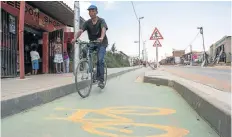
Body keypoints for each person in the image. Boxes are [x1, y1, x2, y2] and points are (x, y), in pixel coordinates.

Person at [72, 5, 108, 88]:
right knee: (85, 50)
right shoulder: (87, 23)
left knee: (100, 60)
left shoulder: (101, 21)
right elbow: (81, 31)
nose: (91, 12)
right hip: (92, 42)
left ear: (96, 12)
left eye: (92, 11)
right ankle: (91, 69)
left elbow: (103, 28)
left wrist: (102, 37)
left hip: (101, 43)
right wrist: (74, 38)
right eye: (89, 11)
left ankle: (101, 80)